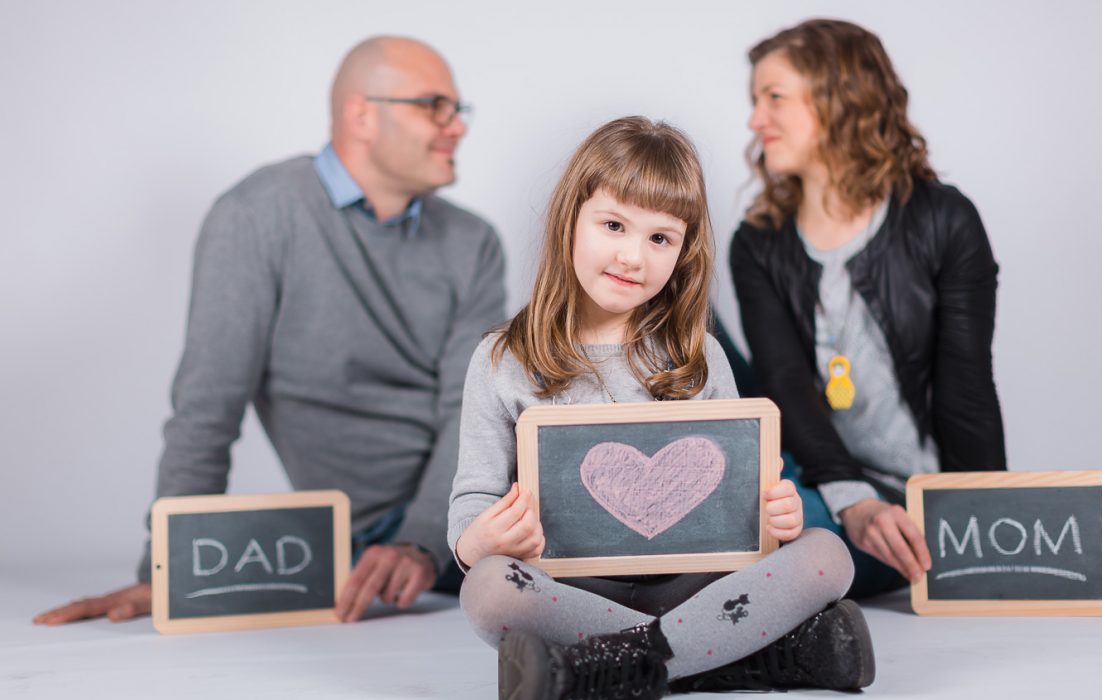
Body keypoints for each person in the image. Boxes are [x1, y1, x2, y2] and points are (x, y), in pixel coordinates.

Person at [34, 36, 506, 626]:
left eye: (457, 109)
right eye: (434, 105)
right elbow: (208, 404)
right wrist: (168, 569)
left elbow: (471, 411)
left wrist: (422, 541)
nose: (455, 126)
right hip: (362, 538)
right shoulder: (257, 216)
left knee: (621, 560)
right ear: (362, 114)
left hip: (477, 510)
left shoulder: (473, 241)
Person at [447, 117, 875, 699]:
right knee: (490, 590)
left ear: (683, 251)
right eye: (614, 225)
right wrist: (474, 543)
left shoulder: (699, 356)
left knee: (827, 555)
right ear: (571, 218)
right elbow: (473, 495)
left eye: (659, 238)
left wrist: (775, 516)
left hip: (695, 583)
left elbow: (742, 496)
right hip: (571, 588)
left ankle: (598, 668)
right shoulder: (501, 358)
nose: (632, 256)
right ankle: (748, 657)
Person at [731, 18, 1006, 600]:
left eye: (773, 97)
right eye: (755, 100)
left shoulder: (944, 220)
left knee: (789, 538)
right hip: (807, 473)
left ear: (839, 97)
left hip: (903, 494)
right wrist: (848, 498)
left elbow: (967, 388)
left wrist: (983, 523)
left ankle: (777, 570)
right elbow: (782, 382)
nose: (756, 120)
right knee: (671, 293)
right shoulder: (757, 241)